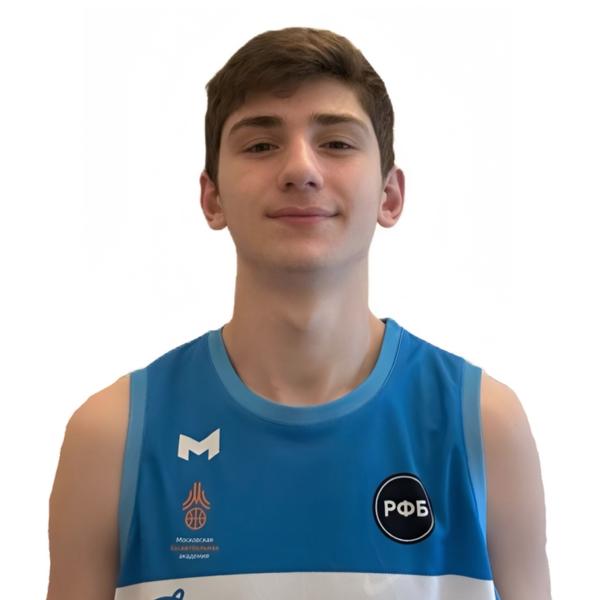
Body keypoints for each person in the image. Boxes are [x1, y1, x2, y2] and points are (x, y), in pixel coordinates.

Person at [46, 27, 551, 600]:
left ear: (389, 196)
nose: (300, 169)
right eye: (261, 145)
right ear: (212, 198)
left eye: (336, 142)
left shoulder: (484, 425)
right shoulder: (111, 438)